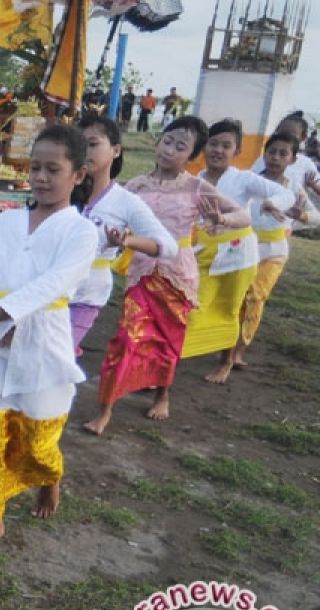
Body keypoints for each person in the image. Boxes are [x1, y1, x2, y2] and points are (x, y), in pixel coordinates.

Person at [0, 126, 99, 556]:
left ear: (78, 173)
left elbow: (54, 284)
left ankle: (49, 478)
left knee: (38, 443)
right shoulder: (6, 221)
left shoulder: (80, 232)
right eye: (35, 167)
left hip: (43, 344)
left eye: (53, 169)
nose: (40, 177)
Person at [83, 117, 251, 436]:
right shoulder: (135, 187)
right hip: (142, 271)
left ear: (191, 156)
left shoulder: (196, 187)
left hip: (179, 275)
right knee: (126, 337)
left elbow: (243, 216)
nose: (170, 150)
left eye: (180, 146)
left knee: (169, 340)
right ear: (158, 142)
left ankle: (162, 394)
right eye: (167, 141)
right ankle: (106, 408)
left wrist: (222, 218)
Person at [187, 119, 293, 379]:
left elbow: (285, 194)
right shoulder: (193, 181)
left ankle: (226, 362)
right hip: (205, 252)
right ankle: (180, 355)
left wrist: (272, 202)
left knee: (231, 307)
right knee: (193, 306)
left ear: (237, 151)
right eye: (213, 144)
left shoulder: (244, 179)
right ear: (204, 147)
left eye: (226, 145)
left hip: (238, 255)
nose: (218, 150)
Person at [207, 133, 317, 383]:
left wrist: (303, 216)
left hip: (275, 250)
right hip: (245, 247)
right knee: (235, 296)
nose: (276, 158)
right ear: (264, 154)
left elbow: (315, 216)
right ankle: (225, 339)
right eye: (272, 152)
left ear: (292, 159)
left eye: (283, 154)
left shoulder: (293, 189)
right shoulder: (250, 182)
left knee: (256, 296)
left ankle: (238, 350)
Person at [70, 115, 177, 356]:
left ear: (116, 150)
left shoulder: (126, 202)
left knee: (55, 359)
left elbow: (169, 246)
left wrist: (128, 241)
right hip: (48, 287)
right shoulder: (62, 190)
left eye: (93, 144)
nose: (85, 151)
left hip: (86, 294)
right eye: (79, 144)